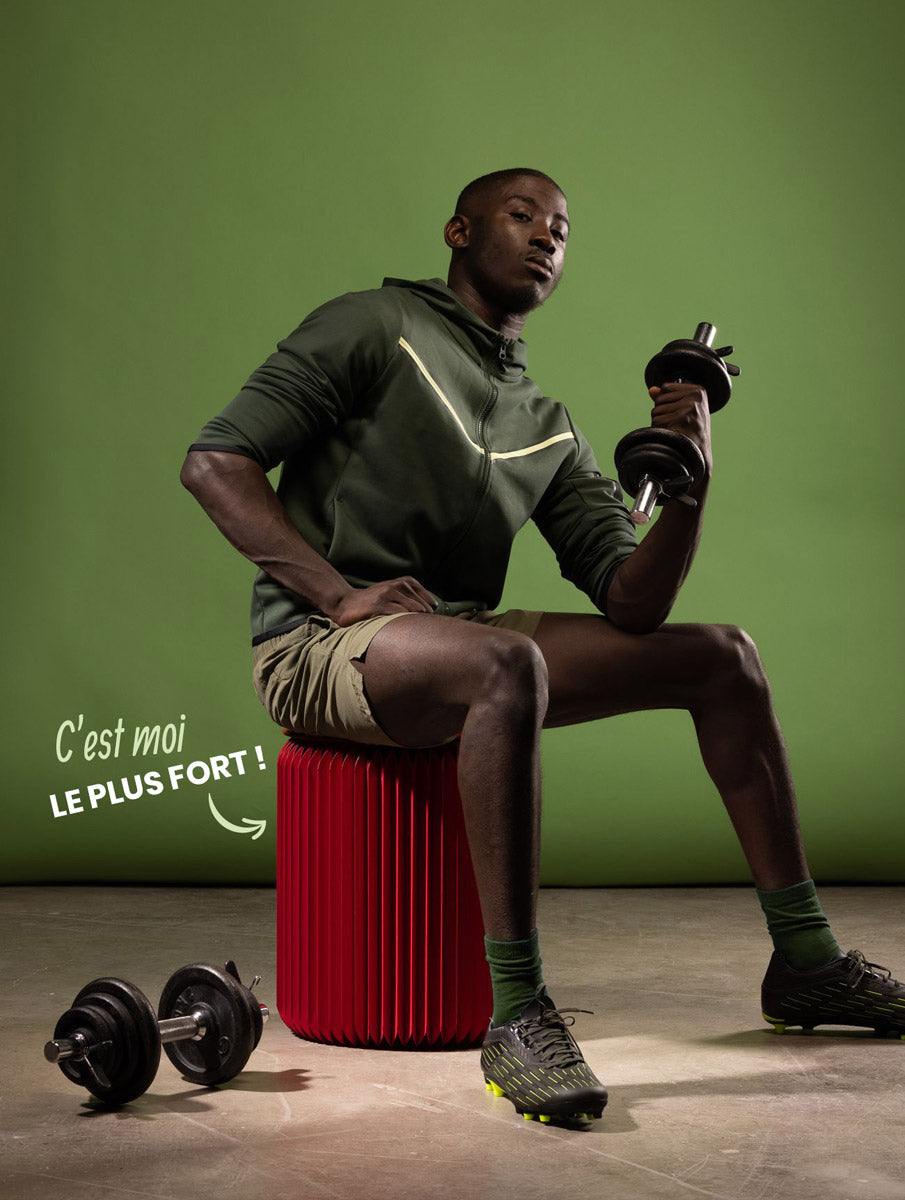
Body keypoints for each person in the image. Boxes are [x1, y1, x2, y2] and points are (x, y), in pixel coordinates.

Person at [181, 168, 905, 1125]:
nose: (544, 238)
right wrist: (334, 591)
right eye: (521, 216)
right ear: (457, 230)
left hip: (459, 643)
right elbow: (216, 461)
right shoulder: (373, 325)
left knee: (722, 655)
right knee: (503, 663)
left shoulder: (543, 425)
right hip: (320, 644)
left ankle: (805, 960)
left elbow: (631, 601)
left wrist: (688, 481)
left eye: (559, 230)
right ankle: (518, 1016)